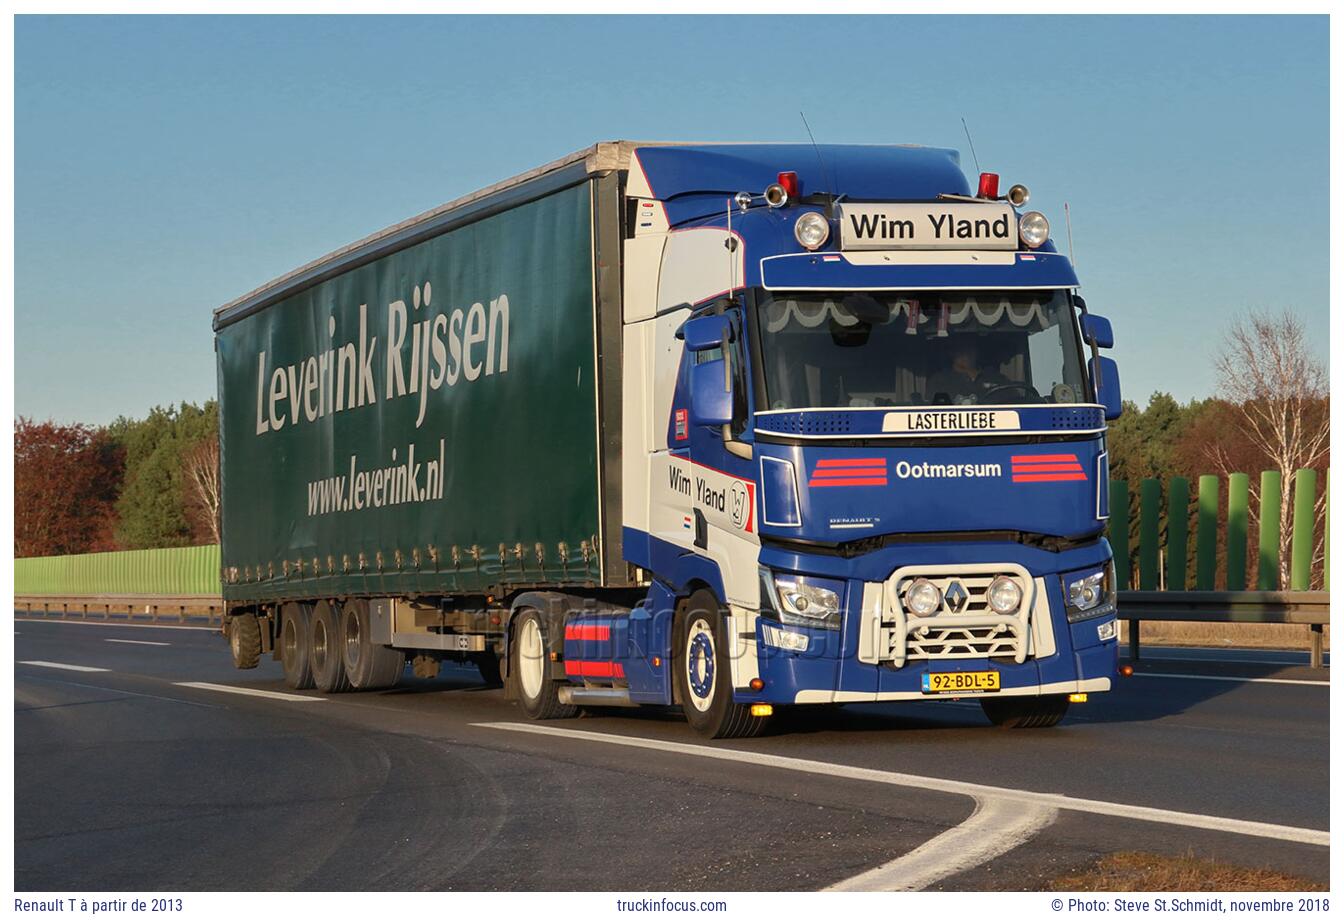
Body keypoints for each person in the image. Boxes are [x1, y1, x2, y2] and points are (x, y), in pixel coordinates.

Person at [926, 336, 1008, 404]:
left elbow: (1013, 404)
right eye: (959, 348)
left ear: (976, 350)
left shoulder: (996, 379)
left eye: (969, 347)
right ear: (951, 352)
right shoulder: (938, 381)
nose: (965, 353)